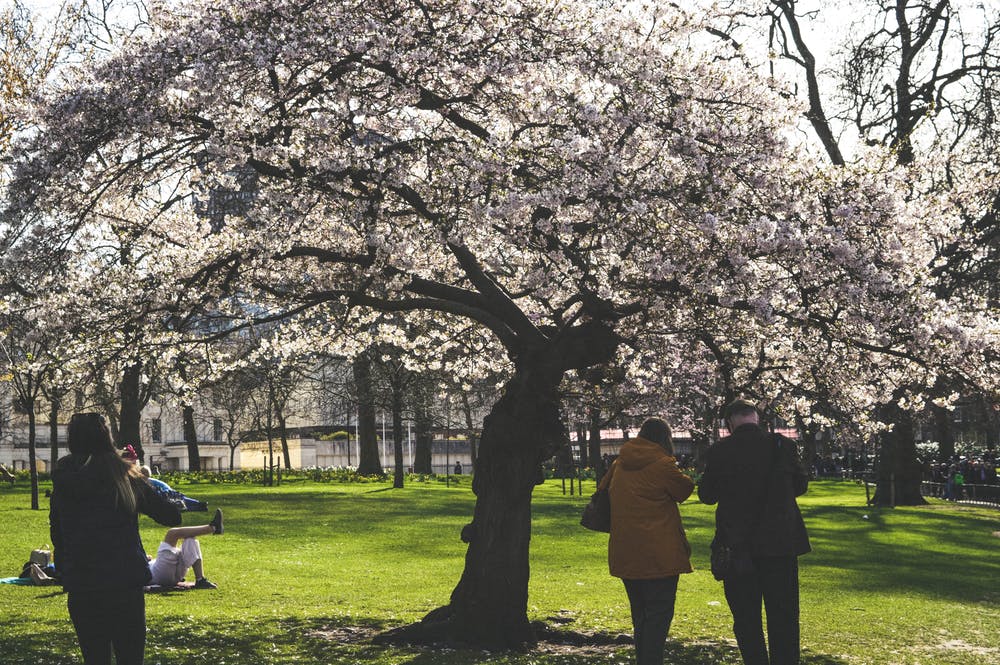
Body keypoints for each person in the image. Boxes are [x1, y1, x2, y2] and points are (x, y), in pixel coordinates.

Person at [49, 412, 182, 665]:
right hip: (124, 582)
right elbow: (171, 516)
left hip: (83, 582)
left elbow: (58, 534)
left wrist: (68, 570)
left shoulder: (65, 481)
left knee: (95, 657)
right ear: (107, 438)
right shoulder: (124, 477)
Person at [698, 399, 810, 665]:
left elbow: (707, 495)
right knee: (783, 615)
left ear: (729, 423)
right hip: (779, 543)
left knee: (746, 616)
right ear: (756, 418)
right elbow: (800, 486)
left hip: (738, 545)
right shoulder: (783, 446)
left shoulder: (720, 451)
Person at [597, 417, 694, 665]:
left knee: (640, 614)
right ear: (665, 439)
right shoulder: (663, 465)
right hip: (660, 553)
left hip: (627, 551)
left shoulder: (620, 463)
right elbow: (685, 490)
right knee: (659, 614)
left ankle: (644, 659)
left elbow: (602, 490)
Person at [147, 509, 224, 590]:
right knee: (172, 534)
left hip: (171, 575)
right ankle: (213, 527)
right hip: (157, 574)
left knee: (190, 538)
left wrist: (145, 557)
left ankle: (200, 580)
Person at [139, 465, 208, 511]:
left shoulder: (147, 481)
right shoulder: (150, 480)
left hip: (165, 492)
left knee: (176, 505)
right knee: (181, 499)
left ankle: (198, 506)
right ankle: (199, 504)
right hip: (168, 490)